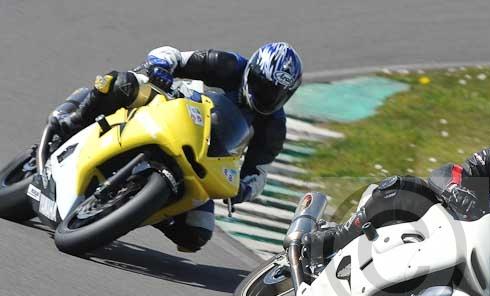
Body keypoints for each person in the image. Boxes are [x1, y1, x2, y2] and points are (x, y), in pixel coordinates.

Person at [50, 42, 303, 252]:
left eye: (276, 94)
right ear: (252, 72)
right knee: (124, 83)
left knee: (197, 232)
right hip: (170, 107)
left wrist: (244, 189)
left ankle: (135, 208)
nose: (267, 97)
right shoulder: (227, 64)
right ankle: (75, 119)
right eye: (262, 86)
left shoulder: (274, 126)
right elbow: (171, 54)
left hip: (202, 156)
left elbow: (258, 170)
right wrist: (160, 67)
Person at [304, 127, 490, 264]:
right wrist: (458, 191)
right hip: (446, 228)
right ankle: (340, 236)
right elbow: (445, 173)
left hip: (487, 265)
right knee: (402, 189)